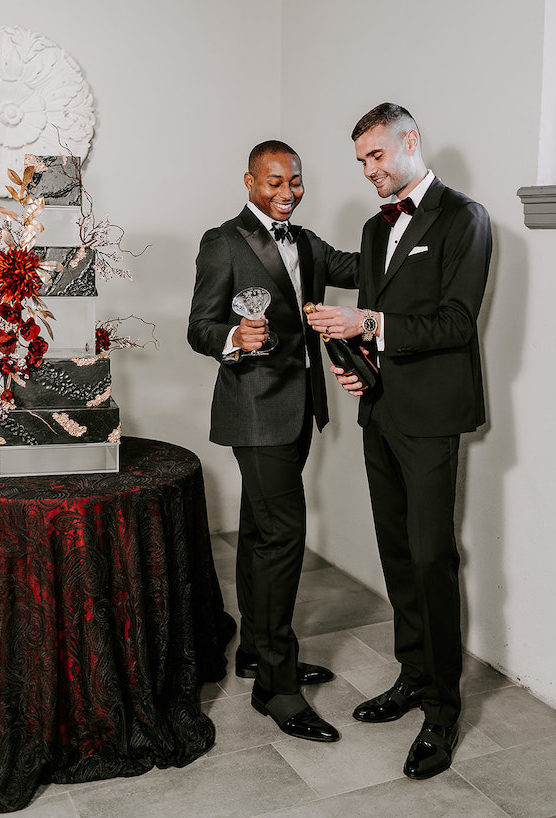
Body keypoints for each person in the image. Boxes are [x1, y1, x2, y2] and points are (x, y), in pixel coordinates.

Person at [306, 103, 492, 778]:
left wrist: (367, 322)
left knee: (432, 555)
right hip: (380, 414)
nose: (369, 171)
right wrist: (362, 369)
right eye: (360, 161)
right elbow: (378, 326)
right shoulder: (372, 226)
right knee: (397, 553)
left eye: (377, 156)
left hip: (432, 418)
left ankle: (443, 710)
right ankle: (413, 674)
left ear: (410, 142)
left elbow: (454, 324)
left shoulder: (464, 218)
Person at [188, 140, 359, 743]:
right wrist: (234, 334)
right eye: (274, 182)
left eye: (296, 182)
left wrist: (414, 234)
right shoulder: (223, 241)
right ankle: (278, 687)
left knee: (262, 532)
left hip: (300, 408)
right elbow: (199, 327)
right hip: (256, 412)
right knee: (284, 538)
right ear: (249, 181)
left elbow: (363, 269)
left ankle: (256, 651)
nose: (287, 193)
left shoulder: (307, 242)